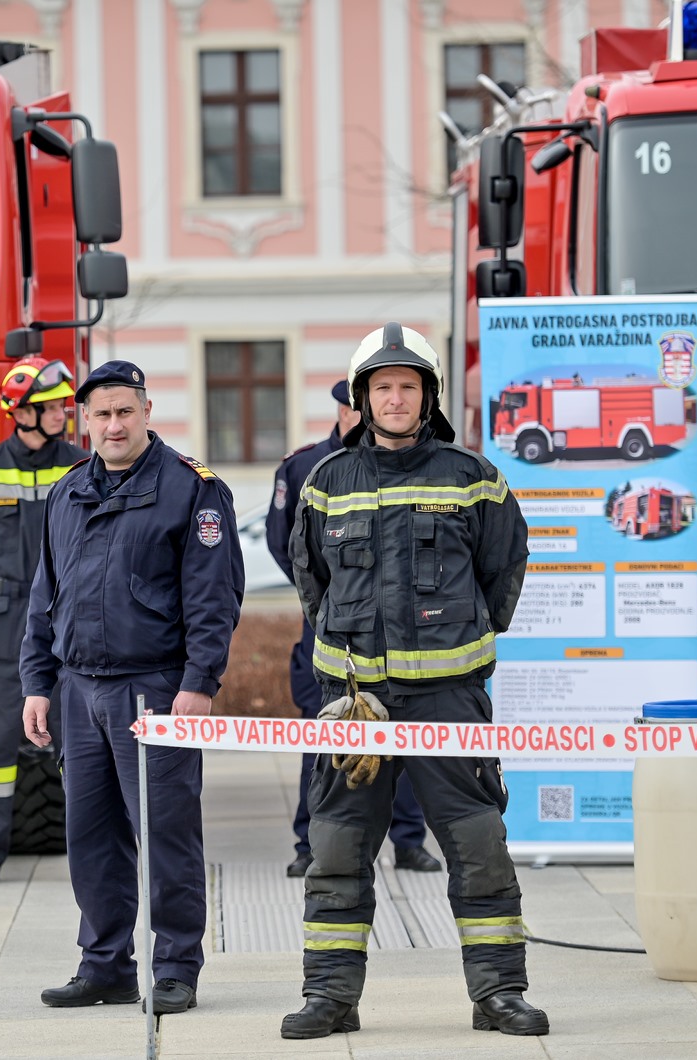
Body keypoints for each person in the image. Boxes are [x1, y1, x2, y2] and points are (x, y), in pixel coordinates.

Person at [281, 324, 544, 1039]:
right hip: (354, 705)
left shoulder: (472, 477)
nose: (395, 398)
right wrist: (351, 652)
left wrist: (456, 645)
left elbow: (503, 571)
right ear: (364, 398)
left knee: (479, 847)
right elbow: (313, 581)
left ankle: (499, 994)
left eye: (408, 385)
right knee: (336, 850)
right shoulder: (326, 481)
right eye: (382, 386)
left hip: (449, 701)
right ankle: (330, 996)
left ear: (427, 395)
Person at [21, 360, 244, 1016]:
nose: (113, 425)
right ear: (85, 421)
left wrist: (199, 683)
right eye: (101, 414)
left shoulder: (191, 490)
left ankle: (175, 967)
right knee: (91, 837)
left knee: (168, 834)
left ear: (147, 411)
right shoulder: (67, 493)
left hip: (155, 690)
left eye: (125, 412)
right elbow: (46, 598)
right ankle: (105, 965)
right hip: (79, 690)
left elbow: (213, 598)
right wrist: (38, 683)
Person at [267, 379, 443, 879]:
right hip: (328, 629)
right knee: (325, 737)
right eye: (354, 407)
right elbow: (290, 550)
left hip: (401, 634)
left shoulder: (409, 462)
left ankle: (408, 842)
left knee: (404, 736)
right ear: (345, 410)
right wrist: (331, 604)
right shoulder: (305, 467)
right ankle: (309, 844)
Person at [0, 357, 88, 886]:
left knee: (83, 734)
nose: (62, 413)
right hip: (4, 623)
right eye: (51, 406)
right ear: (21, 413)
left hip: (72, 617)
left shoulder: (82, 466)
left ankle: (96, 851)